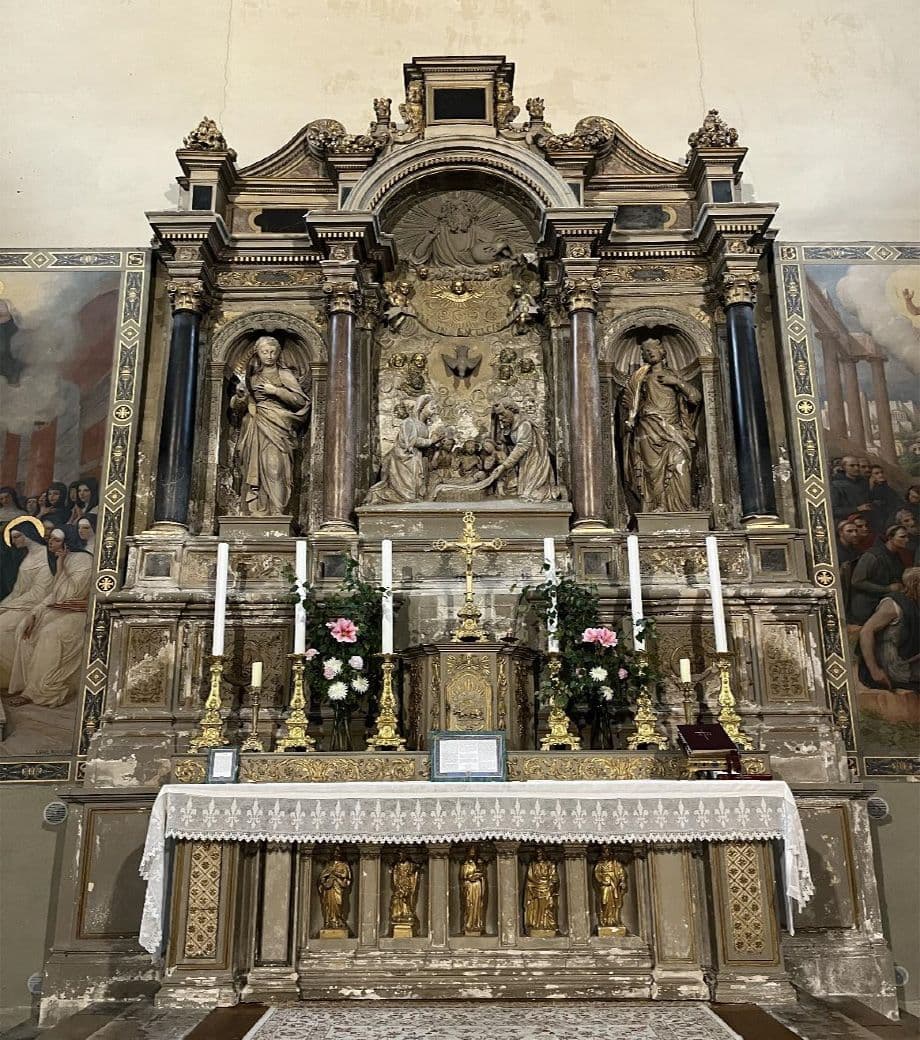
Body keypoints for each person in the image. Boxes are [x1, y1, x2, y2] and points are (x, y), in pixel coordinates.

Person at [7, 526, 92, 708]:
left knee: (49, 633)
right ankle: (27, 686)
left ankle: (40, 691)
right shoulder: (65, 558)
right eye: (50, 539)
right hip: (61, 611)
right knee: (25, 629)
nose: (50, 543)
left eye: (56, 540)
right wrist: (33, 614)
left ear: (67, 542)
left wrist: (61, 566)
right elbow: (53, 596)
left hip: (80, 615)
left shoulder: (83, 560)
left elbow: (70, 595)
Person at [230, 335, 311, 516]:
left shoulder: (284, 374)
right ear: (258, 354)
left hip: (278, 424)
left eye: (273, 352)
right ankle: (259, 509)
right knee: (254, 469)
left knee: (274, 468)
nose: (269, 356)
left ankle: (277, 511)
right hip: (255, 425)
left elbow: (300, 401)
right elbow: (239, 408)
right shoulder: (251, 378)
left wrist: (276, 391)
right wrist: (241, 396)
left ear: (278, 353)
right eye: (265, 352)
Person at [621, 337, 700, 513]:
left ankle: (685, 506)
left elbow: (695, 398)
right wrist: (631, 419)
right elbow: (633, 404)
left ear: (662, 351)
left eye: (652, 348)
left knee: (680, 461)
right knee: (653, 471)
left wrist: (677, 383)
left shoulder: (673, 376)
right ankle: (658, 505)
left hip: (672, 429)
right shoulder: (641, 378)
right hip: (648, 427)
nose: (649, 352)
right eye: (645, 351)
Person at [0, 516, 53, 690]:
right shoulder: (27, 557)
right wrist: (3, 605)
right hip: (20, 604)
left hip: (37, 606)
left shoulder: (46, 555)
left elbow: (39, 592)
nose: (14, 541)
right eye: (12, 538)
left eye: (17, 537)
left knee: (2, 628)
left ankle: (18, 680)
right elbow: (17, 591)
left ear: (29, 534)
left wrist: (7, 606)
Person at [366, 395, 445, 504]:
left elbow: (423, 445)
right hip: (405, 459)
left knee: (418, 490)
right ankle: (377, 494)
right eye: (432, 407)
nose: (434, 411)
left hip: (417, 458)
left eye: (435, 408)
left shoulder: (423, 426)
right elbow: (412, 442)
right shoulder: (409, 422)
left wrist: (435, 444)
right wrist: (431, 441)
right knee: (408, 494)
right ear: (422, 407)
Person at [858, 567, 920, 691]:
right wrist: (875, 671)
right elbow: (866, 632)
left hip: (906, 658)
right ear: (915, 585)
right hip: (893, 666)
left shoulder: (913, 603)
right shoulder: (893, 605)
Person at [491, 400, 557, 502]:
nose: (500, 418)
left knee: (532, 494)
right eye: (498, 415)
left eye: (502, 414)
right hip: (522, 460)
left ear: (511, 410)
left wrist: (504, 465)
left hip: (534, 460)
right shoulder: (511, 426)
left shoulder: (524, 424)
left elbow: (522, 446)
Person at [848, 524, 909, 625]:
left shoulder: (896, 556)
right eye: (902, 537)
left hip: (884, 601)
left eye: (907, 537)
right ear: (890, 538)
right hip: (867, 605)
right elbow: (857, 581)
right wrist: (887, 589)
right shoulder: (872, 556)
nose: (907, 540)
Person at [524, 847, 559, 934]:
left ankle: (548, 925)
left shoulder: (550, 864)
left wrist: (552, 882)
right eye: (537, 854)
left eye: (540, 853)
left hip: (548, 888)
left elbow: (554, 876)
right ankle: (537, 924)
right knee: (537, 907)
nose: (539, 855)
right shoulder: (533, 864)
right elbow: (530, 877)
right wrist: (532, 887)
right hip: (536, 888)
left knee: (548, 907)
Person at [316, 850, 352, 933]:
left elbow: (346, 876)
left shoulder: (344, 865)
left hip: (338, 886)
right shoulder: (329, 865)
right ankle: (330, 922)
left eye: (338, 853)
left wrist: (336, 874)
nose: (336, 855)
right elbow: (322, 876)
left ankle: (338, 920)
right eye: (335, 854)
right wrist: (324, 881)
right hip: (329, 888)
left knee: (339, 903)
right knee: (328, 904)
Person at [831, 456, 872, 524]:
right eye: (852, 466)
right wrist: (857, 509)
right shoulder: (836, 485)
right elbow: (834, 510)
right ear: (844, 467)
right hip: (847, 522)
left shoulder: (864, 483)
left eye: (858, 465)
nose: (856, 468)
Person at [867, 465, 902, 535]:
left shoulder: (887, 488)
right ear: (871, 476)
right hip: (881, 520)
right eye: (876, 473)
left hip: (893, 515)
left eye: (881, 472)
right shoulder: (870, 489)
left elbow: (897, 501)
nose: (881, 475)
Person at [460, 848, 487, 935]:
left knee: (477, 905)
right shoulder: (465, 864)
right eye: (471, 852)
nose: (473, 853)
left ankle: (477, 924)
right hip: (469, 886)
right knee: (469, 905)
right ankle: (468, 924)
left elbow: (483, 874)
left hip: (477, 886)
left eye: (474, 852)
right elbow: (463, 877)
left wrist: (480, 875)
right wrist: (470, 878)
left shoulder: (479, 863)